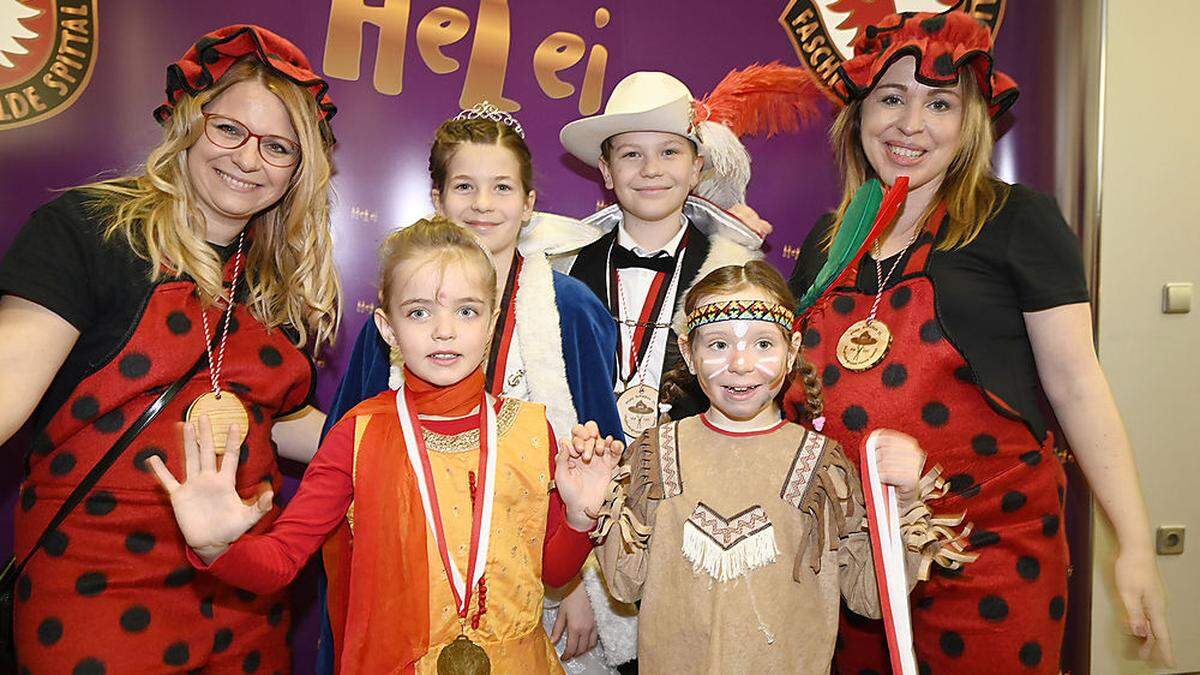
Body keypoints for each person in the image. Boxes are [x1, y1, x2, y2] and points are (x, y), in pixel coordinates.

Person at [784, 10, 1172, 673]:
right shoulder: (828, 239)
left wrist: (1134, 541)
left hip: (991, 557)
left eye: (940, 103)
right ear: (858, 114)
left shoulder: (1018, 221)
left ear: (970, 123)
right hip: (858, 564)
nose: (912, 124)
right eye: (891, 98)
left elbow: (1078, 385)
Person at [0, 25, 337, 672]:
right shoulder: (89, 231)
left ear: (300, 169)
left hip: (241, 597)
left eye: (277, 147)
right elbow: (12, 377)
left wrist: (413, 441)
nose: (248, 159)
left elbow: (275, 416)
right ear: (188, 123)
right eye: (228, 129)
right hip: (96, 595)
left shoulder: (277, 280)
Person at [149, 216, 623, 673]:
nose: (444, 329)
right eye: (419, 311)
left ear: (493, 320)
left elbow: (553, 572)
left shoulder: (531, 430)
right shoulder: (358, 434)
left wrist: (580, 517)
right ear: (387, 327)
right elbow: (281, 561)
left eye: (466, 310)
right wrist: (217, 548)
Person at [315, 107, 633, 673]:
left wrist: (578, 584)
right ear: (437, 198)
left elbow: (598, 452)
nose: (483, 204)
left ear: (530, 202)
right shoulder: (391, 315)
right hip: (411, 581)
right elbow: (349, 449)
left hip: (537, 586)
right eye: (465, 186)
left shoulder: (572, 309)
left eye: (502, 187)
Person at [584, 261, 949, 673]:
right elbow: (623, 583)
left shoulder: (823, 467)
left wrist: (901, 503)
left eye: (763, 344)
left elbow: (871, 597)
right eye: (718, 345)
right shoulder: (654, 454)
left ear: (792, 350)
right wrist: (596, 502)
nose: (741, 364)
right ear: (688, 352)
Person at [558, 71, 770, 440]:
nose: (651, 169)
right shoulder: (564, 269)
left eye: (669, 152)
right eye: (631, 154)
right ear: (607, 171)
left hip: (696, 477)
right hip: (581, 471)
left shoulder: (733, 274)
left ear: (695, 169)